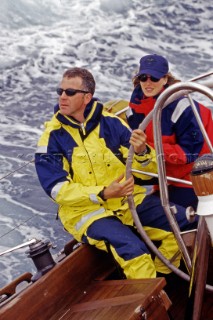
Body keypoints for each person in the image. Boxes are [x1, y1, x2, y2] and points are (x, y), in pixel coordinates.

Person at [35, 67, 197, 280]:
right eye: (60, 91)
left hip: (127, 199)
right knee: (135, 252)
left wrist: (141, 152)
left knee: (186, 224)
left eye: (70, 92)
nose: (62, 96)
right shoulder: (51, 139)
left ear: (87, 97)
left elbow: (148, 172)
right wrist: (103, 193)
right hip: (85, 212)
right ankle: (153, 303)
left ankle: (159, 281)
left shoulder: (112, 123)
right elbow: (57, 190)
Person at [126, 53, 213, 210]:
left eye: (154, 78)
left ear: (165, 79)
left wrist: (147, 148)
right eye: (143, 77)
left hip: (196, 176)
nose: (148, 83)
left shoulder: (183, 109)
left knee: (166, 216)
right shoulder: (134, 108)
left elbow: (188, 154)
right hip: (165, 176)